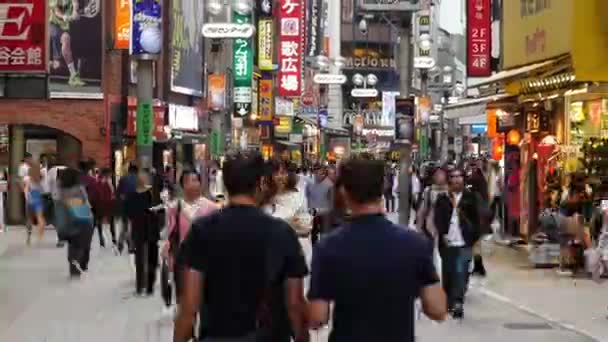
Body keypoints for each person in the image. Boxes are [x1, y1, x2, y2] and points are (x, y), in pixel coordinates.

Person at [307, 157, 447, 342]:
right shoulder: (414, 244)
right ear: (382, 188)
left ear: (343, 191)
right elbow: (437, 309)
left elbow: (317, 317)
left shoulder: (328, 247)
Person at [174, 152, 308, 342]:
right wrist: (303, 336)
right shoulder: (282, 234)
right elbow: (294, 304)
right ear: (261, 182)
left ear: (226, 185)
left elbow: (189, 306)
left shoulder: (202, 231)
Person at [162, 168, 218, 308]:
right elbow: (171, 234)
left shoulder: (211, 208)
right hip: (183, 261)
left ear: (200, 183)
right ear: (182, 185)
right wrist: (168, 257)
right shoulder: (175, 208)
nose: (192, 184)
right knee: (184, 300)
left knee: (205, 301)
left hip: (206, 260)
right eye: (187, 181)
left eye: (195, 180)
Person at [433, 167, 482, 319]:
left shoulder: (471, 197)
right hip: (448, 242)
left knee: (461, 271)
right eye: (453, 177)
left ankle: (458, 302)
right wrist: (442, 234)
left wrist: (474, 237)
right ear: (449, 180)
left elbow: (478, 219)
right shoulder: (442, 198)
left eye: (459, 176)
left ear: (463, 179)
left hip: (465, 241)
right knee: (448, 273)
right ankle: (449, 300)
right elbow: (438, 218)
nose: (456, 179)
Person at [126, 170, 160, 296]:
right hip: (140, 229)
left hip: (150, 229)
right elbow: (128, 213)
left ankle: (146, 284)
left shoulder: (152, 193)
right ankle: (141, 285)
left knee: (149, 258)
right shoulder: (133, 195)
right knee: (140, 258)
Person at [56, 167, 94, 278]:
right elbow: (85, 202)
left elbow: (60, 204)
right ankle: (80, 266)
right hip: (81, 213)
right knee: (83, 243)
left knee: (73, 243)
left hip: (69, 217)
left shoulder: (61, 189)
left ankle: (73, 267)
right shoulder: (79, 188)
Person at [49, 0, 86, 87]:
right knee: (56, 65)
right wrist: (65, 17)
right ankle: (49, 63)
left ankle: (73, 76)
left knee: (66, 39)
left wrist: (75, 12)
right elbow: (56, 11)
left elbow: (75, 3)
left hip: (64, 28)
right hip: (52, 25)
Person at [306, 165, 334, 244]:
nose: (322, 175)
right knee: (312, 233)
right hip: (312, 211)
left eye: (323, 174)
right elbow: (307, 197)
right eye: (319, 173)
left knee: (324, 234)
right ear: (314, 173)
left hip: (324, 212)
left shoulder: (329, 184)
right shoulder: (309, 183)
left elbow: (331, 201)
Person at [116, 164, 138, 253]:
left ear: (129, 171)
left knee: (124, 226)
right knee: (133, 226)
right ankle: (131, 247)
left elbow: (118, 193)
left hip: (125, 206)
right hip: (135, 206)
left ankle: (120, 242)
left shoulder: (122, 179)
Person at [95, 168, 117, 250]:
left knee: (99, 222)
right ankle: (114, 239)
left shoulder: (98, 181)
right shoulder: (108, 181)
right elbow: (112, 193)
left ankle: (101, 239)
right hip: (108, 204)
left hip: (100, 204)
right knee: (111, 222)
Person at [25, 162, 46, 242]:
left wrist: (27, 197)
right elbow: (43, 189)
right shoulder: (41, 178)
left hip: (31, 198)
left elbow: (26, 189)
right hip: (38, 199)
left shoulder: (28, 178)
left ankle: (29, 235)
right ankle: (40, 236)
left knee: (29, 218)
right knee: (40, 217)